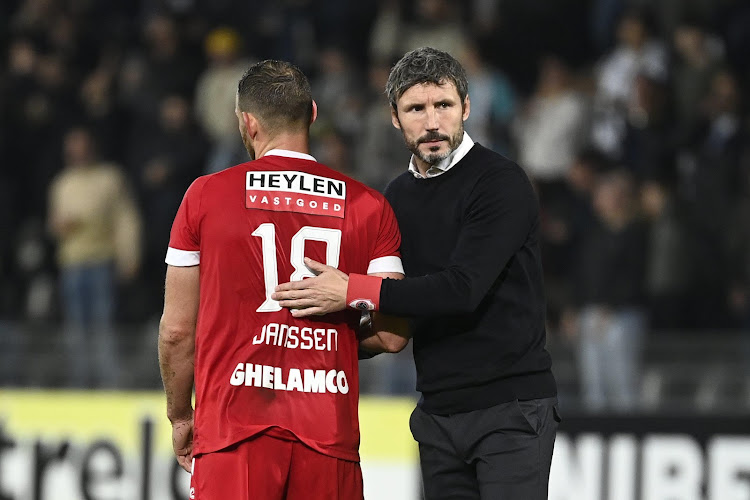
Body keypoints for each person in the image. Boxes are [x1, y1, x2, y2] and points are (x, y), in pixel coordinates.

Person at [273, 47, 559, 500]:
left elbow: (462, 289)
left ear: (466, 107)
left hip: (510, 410)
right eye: (416, 108)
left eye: (443, 105)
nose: (431, 122)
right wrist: (317, 337)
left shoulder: (500, 182)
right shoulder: (396, 197)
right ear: (394, 117)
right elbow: (395, 315)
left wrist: (351, 289)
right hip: (438, 414)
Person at [158, 59, 407, 500]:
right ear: (312, 114)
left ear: (247, 122)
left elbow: (178, 331)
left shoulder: (205, 196)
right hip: (329, 436)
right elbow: (392, 335)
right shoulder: (370, 206)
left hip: (233, 433)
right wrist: (334, 338)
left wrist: (181, 416)